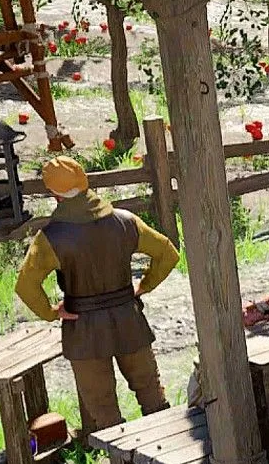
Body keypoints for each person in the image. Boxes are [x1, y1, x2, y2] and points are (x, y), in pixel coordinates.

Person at [15, 157, 179, 434]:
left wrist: (52, 312)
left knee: (104, 414)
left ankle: (119, 462)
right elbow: (167, 254)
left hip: (83, 329)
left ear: (54, 193)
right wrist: (144, 285)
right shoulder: (125, 221)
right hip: (129, 319)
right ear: (84, 181)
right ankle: (170, 449)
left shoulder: (50, 238)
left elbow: (26, 286)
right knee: (153, 397)